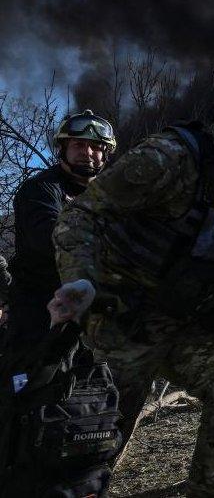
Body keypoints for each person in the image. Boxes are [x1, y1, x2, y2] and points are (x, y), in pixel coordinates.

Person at [48, 64, 214, 497]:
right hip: (125, 320)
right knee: (94, 449)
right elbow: (82, 213)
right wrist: (82, 282)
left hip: (190, 326)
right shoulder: (170, 156)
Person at [7, 110, 116, 345]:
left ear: (105, 155)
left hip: (96, 313)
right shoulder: (40, 189)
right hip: (40, 313)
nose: (88, 153)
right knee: (38, 379)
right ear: (63, 149)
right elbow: (50, 236)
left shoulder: (113, 196)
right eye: (78, 145)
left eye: (96, 147)